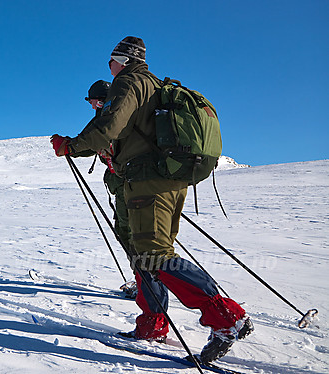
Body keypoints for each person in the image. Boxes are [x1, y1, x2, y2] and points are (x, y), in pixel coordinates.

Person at [51, 36, 252, 364]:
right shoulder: (155, 84)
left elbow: (110, 127)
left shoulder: (128, 82)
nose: (110, 68)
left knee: (155, 256)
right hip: (168, 178)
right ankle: (152, 323)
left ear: (122, 60)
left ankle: (225, 317)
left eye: (111, 62)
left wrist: (71, 145)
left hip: (147, 181)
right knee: (145, 255)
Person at [74, 80, 137, 298]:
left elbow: (90, 142)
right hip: (128, 183)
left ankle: (147, 283)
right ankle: (145, 280)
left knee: (132, 233)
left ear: (100, 101)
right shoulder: (112, 118)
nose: (91, 106)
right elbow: (90, 144)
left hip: (128, 184)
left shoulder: (108, 120)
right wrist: (70, 148)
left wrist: (69, 147)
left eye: (92, 101)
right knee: (128, 231)